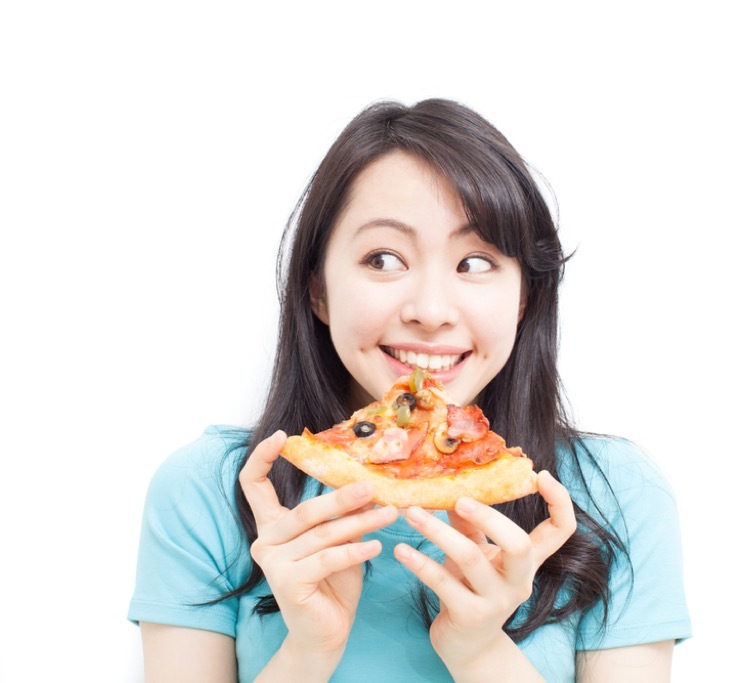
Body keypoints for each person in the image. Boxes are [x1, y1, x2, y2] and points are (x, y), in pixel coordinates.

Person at [128, 99, 690, 681]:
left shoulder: (616, 495)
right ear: (318, 288)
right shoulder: (208, 490)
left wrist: (479, 652)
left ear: (524, 298)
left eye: (475, 263)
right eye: (384, 258)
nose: (430, 310)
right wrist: (306, 653)